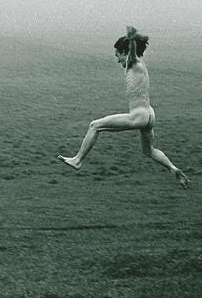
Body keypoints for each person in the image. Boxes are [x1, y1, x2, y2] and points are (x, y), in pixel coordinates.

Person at [57, 26, 190, 189]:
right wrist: (132, 39)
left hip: (138, 116)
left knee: (94, 126)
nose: (117, 60)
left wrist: (132, 40)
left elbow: (131, 54)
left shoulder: (132, 62)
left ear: (124, 52)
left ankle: (77, 160)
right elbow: (132, 54)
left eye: (117, 55)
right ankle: (173, 168)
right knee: (149, 150)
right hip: (149, 115)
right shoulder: (141, 65)